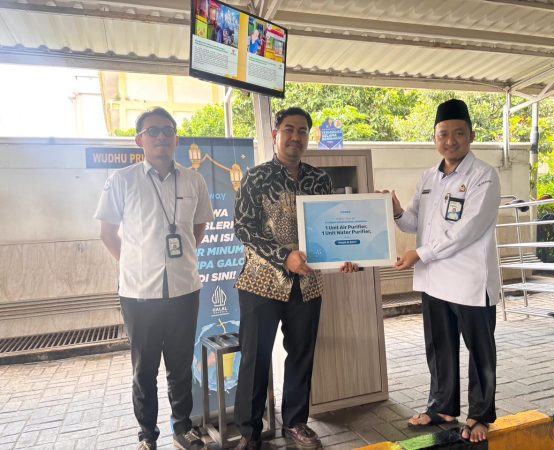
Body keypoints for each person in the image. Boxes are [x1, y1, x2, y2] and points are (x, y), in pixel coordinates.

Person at [233, 107, 358, 450]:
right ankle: (249, 431)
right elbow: (243, 227)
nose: (296, 137)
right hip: (260, 281)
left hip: (307, 282)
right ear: (275, 134)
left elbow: (332, 227)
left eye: (302, 131)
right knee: (255, 358)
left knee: (302, 354)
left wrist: (346, 255)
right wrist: (282, 257)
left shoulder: (320, 180)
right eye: (289, 129)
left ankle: (295, 423)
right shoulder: (255, 178)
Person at [94, 107, 214, 450]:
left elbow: (198, 228)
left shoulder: (194, 180)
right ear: (139, 140)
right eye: (153, 131)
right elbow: (107, 233)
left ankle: (182, 428)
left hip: (184, 289)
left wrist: (178, 258)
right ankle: (147, 434)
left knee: (180, 366)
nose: (161, 137)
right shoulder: (122, 180)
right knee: (144, 369)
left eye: (168, 131)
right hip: (138, 294)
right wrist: (135, 264)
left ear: (176, 139)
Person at [391, 99, 500, 443]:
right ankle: (442, 406)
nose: (450, 140)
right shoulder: (428, 177)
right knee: (439, 348)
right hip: (434, 280)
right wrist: (396, 212)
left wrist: (420, 254)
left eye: (458, 133)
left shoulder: (484, 176)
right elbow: (416, 222)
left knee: (480, 352)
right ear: (434, 138)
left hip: (470, 281)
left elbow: (469, 229)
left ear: (471, 136)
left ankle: (480, 415)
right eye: (443, 134)